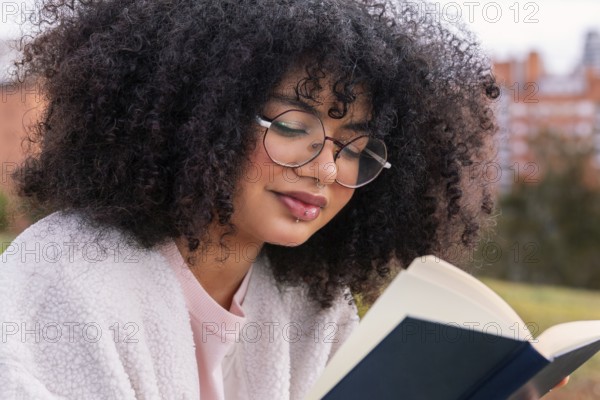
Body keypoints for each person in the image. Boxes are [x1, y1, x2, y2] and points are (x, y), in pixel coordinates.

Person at [0, 0, 508, 399]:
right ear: (196, 118)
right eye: (291, 125)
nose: (327, 170)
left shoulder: (313, 306)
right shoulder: (67, 278)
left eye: (353, 144)